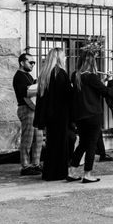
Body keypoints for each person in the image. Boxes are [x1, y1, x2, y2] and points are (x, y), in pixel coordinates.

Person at [69, 50, 113, 183]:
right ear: (92, 62)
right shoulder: (91, 77)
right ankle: (87, 174)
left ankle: (71, 171)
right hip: (93, 115)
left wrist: (104, 80)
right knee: (91, 145)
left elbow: (89, 89)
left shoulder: (75, 76)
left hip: (80, 116)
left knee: (82, 144)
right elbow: (108, 92)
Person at [33, 48, 76, 181]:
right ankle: (59, 173)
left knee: (52, 144)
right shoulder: (60, 73)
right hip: (60, 114)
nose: (66, 58)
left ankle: (49, 173)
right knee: (61, 144)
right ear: (58, 58)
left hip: (49, 115)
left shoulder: (45, 74)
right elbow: (68, 95)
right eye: (64, 56)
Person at [13, 53, 42, 176]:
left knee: (38, 138)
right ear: (22, 62)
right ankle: (25, 166)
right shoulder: (19, 76)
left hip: (33, 109)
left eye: (34, 63)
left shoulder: (28, 76)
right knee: (27, 139)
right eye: (31, 62)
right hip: (26, 109)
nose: (33, 65)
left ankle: (35, 164)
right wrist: (39, 86)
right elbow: (26, 92)